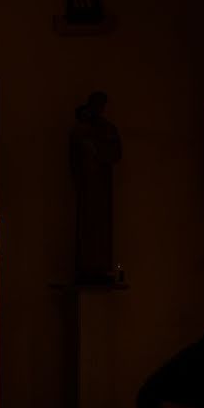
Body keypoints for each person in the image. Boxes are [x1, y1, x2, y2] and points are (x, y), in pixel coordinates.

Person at [69, 91, 122, 284]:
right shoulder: (80, 130)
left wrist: (97, 150)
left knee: (101, 227)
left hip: (101, 187)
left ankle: (100, 267)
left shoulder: (108, 129)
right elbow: (74, 157)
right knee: (87, 225)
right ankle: (86, 266)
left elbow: (116, 153)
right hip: (87, 186)